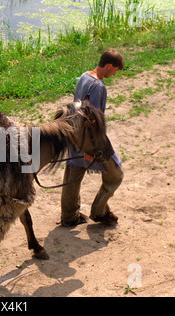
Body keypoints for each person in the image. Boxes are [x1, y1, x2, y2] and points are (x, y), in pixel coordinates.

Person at [60, 49, 124, 227]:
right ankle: (99, 211)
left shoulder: (84, 77)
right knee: (116, 174)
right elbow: (92, 120)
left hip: (74, 133)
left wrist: (78, 146)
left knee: (73, 173)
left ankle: (69, 216)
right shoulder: (98, 86)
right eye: (115, 70)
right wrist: (88, 150)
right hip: (90, 141)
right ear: (109, 66)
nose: (114, 74)